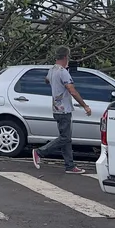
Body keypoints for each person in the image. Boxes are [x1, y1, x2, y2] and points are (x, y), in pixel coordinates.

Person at [31, 46, 92, 175]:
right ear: (66, 57)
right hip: (64, 110)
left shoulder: (52, 70)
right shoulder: (63, 72)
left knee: (66, 139)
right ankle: (39, 152)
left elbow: (47, 80)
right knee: (64, 138)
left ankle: (70, 166)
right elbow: (72, 90)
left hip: (56, 108)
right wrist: (85, 105)